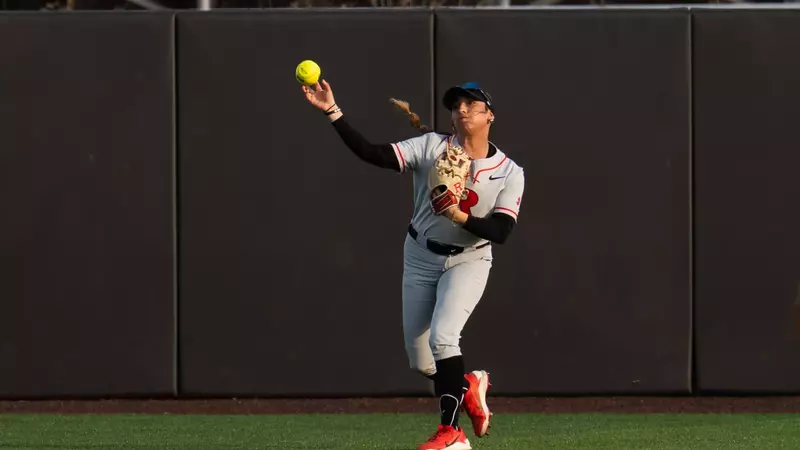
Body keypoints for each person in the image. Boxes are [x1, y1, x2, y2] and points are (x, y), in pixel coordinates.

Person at [302, 79, 525, 450]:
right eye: (457, 105)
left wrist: (457, 214)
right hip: (421, 254)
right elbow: (372, 153)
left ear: (490, 115)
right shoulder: (432, 146)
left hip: (469, 258)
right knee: (423, 362)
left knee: (443, 338)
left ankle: (451, 434)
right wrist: (332, 111)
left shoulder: (509, 171)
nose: (463, 110)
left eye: (472, 104)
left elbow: (501, 230)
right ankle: (467, 383)